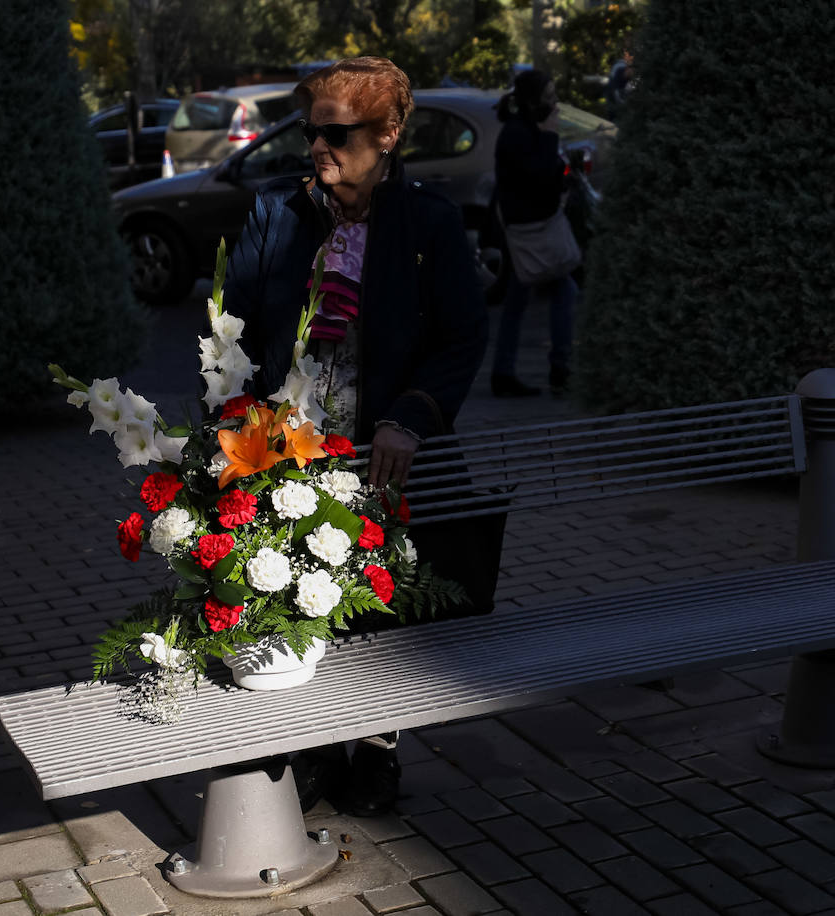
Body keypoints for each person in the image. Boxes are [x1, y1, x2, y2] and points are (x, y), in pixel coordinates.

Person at [222, 57, 488, 816]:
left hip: (381, 453)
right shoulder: (278, 215)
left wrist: (411, 415)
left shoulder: (428, 222)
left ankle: (375, 748)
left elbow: (464, 338)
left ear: (389, 136)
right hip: (289, 450)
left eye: (336, 132)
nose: (317, 146)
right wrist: (237, 418)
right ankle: (309, 746)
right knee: (292, 590)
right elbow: (231, 324)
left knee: (378, 606)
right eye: (312, 131)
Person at [490, 69, 579, 397]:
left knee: (525, 297)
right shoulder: (520, 133)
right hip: (528, 232)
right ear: (534, 100)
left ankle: (508, 370)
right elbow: (539, 177)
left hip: (529, 229)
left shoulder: (527, 130)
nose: (555, 103)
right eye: (549, 96)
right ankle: (555, 366)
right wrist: (550, 136)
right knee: (553, 292)